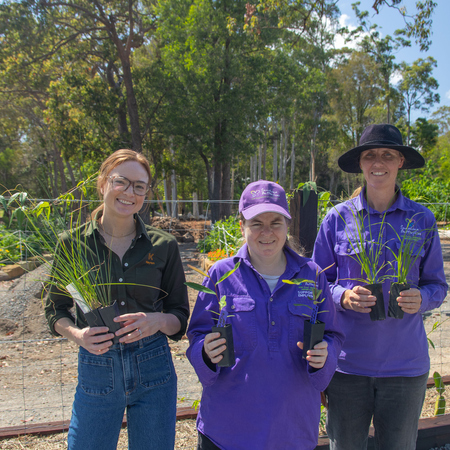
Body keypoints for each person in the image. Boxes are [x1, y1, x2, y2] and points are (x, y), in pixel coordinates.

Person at [313, 124, 448, 450]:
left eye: (387, 155)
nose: (378, 162)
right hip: (347, 368)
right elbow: (314, 283)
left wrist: (422, 298)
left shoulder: (422, 220)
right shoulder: (337, 219)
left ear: (400, 161)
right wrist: (341, 295)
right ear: (360, 163)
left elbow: (437, 286)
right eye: (370, 155)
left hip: (405, 369)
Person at [45, 149, 190, 449]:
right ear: (102, 183)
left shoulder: (164, 247)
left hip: (154, 370)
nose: (129, 192)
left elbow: (179, 317)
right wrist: (77, 334)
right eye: (121, 181)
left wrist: (157, 320)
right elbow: (55, 309)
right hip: (98, 367)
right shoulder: (71, 245)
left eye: (140, 186)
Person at [187, 180, 344, 450]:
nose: (267, 232)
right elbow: (197, 335)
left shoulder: (312, 275)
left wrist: (325, 351)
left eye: (276, 222)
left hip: (292, 430)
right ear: (242, 227)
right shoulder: (221, 274)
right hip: (227, 430)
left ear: (287, 226)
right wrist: (205, 352)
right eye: (256, 223)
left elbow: (334, 334)